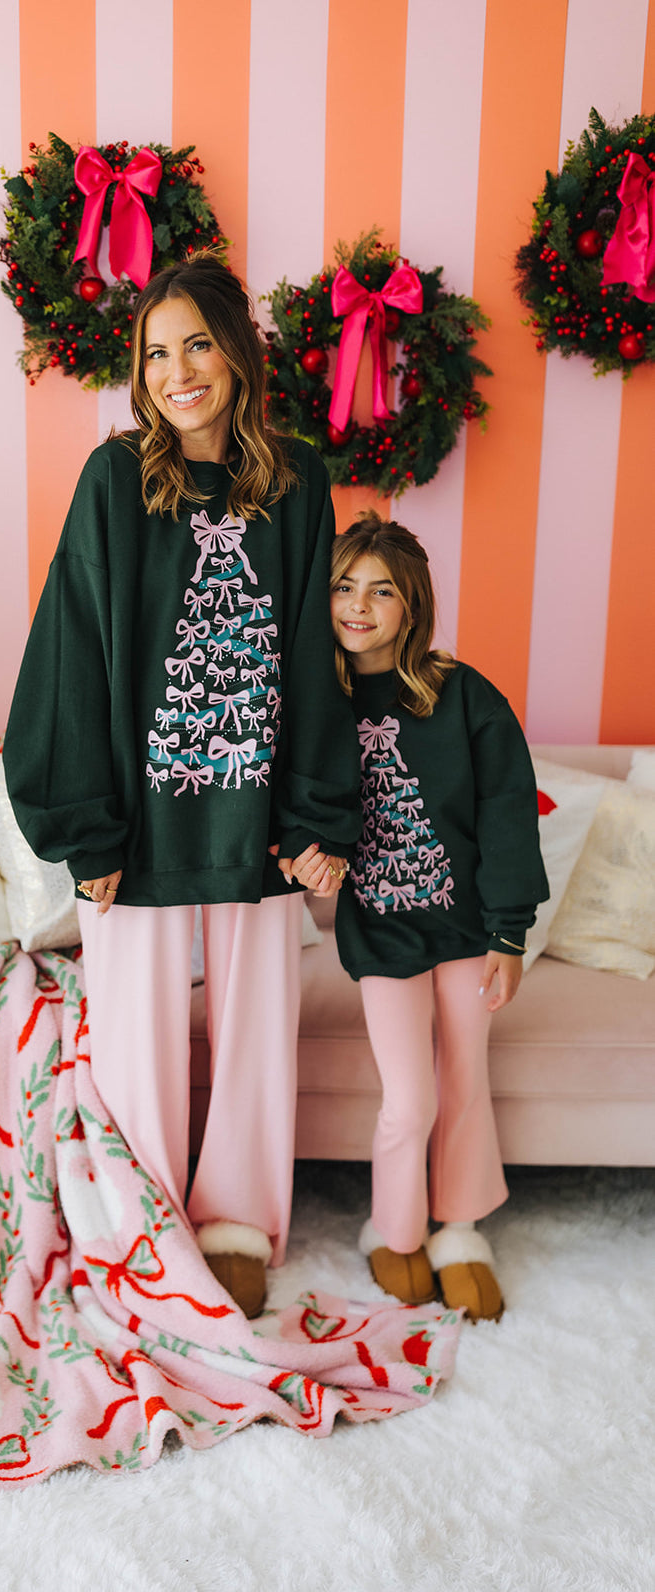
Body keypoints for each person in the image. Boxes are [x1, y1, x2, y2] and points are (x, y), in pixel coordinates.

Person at [3, 251, 359, 1317]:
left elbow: (313, 652)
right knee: (135, 1026)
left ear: (237, 352)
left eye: (195, 343)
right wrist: (86, 831)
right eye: (155, 352)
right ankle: (141, 1224)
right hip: (139, 824)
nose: (176, 370)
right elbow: (69, 649)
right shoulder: (115, 480)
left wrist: (311, 814)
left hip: (256, 814)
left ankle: (240, 1219)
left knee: (259, 1014)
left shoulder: (295, 483)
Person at [329, 512, 548, 1322]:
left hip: (465, 931)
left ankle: (458, 1229)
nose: (359, 605)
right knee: (408, 1100)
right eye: (343, 587)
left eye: (381, 590)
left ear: (411, 605)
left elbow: (505, 811)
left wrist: (508, 932)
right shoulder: (319, 702)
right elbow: (297, 808)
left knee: (464, 1080)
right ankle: (393, 1230)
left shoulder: (463, 696)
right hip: (382, 933)